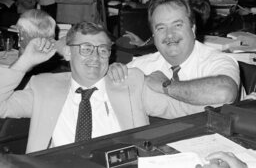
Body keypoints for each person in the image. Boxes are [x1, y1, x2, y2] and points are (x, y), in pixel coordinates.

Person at [0, 19, 176, 153]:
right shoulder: (44, 88)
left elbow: (179, 108)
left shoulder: (130, 84)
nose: (95, 56)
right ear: (68, 53)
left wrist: (165, 84)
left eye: (103, 49)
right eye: (86, 48)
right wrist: (25, 62)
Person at [108, 0, 240, 118]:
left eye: (177, 25)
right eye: (161, 28)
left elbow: (224, 92)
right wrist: (112, 72)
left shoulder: (219, 61)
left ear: (193, 29)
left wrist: (165, 85)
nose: (169, 35)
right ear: (153, 36)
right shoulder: (142, 66)